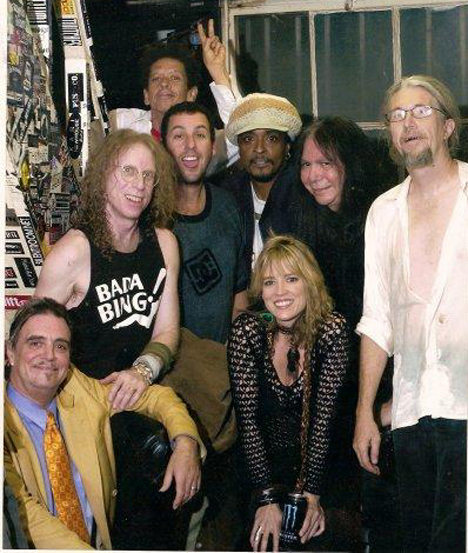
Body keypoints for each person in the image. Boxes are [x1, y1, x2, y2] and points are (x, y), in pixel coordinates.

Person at [34, 129, 182, 549]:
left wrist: (143, 370)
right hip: (81, 408)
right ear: (103, 177)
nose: (138, 185)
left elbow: (167, 330)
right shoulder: (74, 252)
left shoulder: (165, 244)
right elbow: (31, 341)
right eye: (128, 171)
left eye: (148, 176)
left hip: (139, 396)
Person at [353, 75, 467, 552]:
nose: (408, 123)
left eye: (420, 111)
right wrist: (363, 411)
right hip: (413, 410)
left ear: (448, 126)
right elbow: (377, 318)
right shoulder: (383, 212)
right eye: (397, 116)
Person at [4, 298, 204, 549]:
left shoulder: (78, 391)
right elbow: (26, 513)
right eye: (36, 343)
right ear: (10, 352)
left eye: (61, 346)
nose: (49, 356)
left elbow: (156, 396)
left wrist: (185, 442)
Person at [228, 235, 348, 551]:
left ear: (309, 283)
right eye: (269, 282)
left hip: (318, 472)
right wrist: (266, 497)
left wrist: (312, 494)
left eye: (291, 279)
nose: (280, 292)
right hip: (261, 470)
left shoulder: (332, 331)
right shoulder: (247, 332)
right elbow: (248, 422)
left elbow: (323, 422)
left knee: (320, 538)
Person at [161, 101, 249, 343]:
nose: (190, 145)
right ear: (164, 148)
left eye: (200, 135)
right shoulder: (151, 218)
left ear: (212, 147)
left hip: (219, 367)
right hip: (168, 370)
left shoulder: (228, 206)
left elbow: (239, 293)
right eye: (179, 136)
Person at [110, 33, 238, 172]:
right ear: (146, 96)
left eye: (175, 78)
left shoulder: (202, 139)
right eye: (156, 78)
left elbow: (239, 135)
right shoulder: (121, 123)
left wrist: (218, 73)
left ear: (191, 94)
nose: (164, 83)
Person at [220, 93, 302, 272]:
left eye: (271, 138)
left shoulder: (305, 196)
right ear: (239, 149)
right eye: (248, 139)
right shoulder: (226, 198)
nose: (259, 149)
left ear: (287, 146)